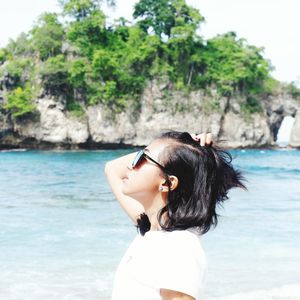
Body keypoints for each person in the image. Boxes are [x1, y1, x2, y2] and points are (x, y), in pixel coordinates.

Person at [105, 131, 246, 300]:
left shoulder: (179, 246)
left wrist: (183, 152)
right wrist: (187, 149)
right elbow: (112, 169)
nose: (131, 165)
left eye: (142, 159)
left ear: (168, 182)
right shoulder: (153, 230)